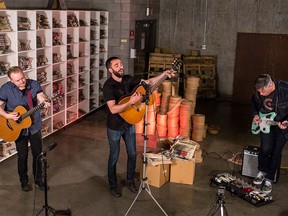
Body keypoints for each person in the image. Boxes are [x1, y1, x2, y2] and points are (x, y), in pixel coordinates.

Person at [103, 56, 174, 197]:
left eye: (121, 63)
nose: (121, 66)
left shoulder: (129, 79)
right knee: (114, 156)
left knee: (133, 154)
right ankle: (113, 185)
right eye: (117, 65)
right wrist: (131, 102)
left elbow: (149, 82)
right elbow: (113, 109)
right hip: (115, 126)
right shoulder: (108, 86)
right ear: (110, 70)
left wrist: (164, 74)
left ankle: (130, 181)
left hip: (129, 123)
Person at [0, 66, 50, 192]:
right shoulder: (6, 89)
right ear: (11, 81)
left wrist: (45, 102)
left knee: (38, 154)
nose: (22, 81)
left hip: (34, 126)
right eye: (18, 80)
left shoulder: (33, 84)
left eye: (22, 78)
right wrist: (7, 115)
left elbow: (41, 96)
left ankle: (39, 180)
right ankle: (24, 182)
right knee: (22, 156)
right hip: (17, 128)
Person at [251, 74, 288, 194]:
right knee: (265, 149)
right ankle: (262, 171)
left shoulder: (285, 89)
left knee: (276, 152)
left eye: (263, 91)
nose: (260, 94)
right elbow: (253, 102)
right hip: (265, 122)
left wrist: (287, 121)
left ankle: (269, 179)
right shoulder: (259, 91)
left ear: (271, 85)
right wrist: (255, 114)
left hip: (282, 126)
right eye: (259, 91)